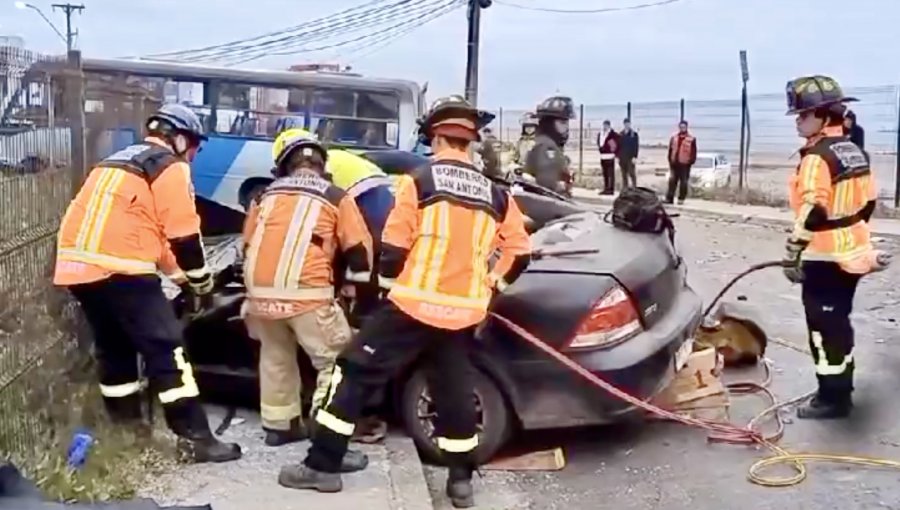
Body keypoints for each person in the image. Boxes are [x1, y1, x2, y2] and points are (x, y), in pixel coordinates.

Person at [276, 95, 531, 509]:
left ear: (435, 137)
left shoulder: (419, 180)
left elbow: (393, 249)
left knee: (352, 371)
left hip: (412, 307)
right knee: (453, 390)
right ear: (470, 141)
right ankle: (460, 481)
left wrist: (384, 299)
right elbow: (520, 251)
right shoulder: (497, 194)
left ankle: (322, 465)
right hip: (464, 313)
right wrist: (490, 287)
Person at [53, 104, 242, 463]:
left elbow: (149, 235)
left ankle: (127, 433)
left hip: (78, 270)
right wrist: (202, 284)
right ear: (182, 139)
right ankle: (197, 439)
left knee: (115, 349)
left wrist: (180, 279)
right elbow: (184, 235)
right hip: (122, 271)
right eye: (196, 148)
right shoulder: (169, 166)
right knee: (168, 350)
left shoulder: (116, 163)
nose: (194, 156)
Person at [242, 132, 374, 470]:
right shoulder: (334, 195)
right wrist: (355, 289)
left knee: (275, 356)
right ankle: (327, 436)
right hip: (307, 293)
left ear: (283, 166)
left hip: (260, 296)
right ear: (321, 165)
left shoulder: (264, 195)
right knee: (335, 361)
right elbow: (359, 250)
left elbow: (248, 242)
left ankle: (280, 426)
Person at [782, 75, 891, 419]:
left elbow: (814, 210)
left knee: (824, 328)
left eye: (802, 115)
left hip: (825, 257)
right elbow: (869, 203)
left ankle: (833, 399)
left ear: (823, 115)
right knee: (838, 323)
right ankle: (839, 388)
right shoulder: (854, 151)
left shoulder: (817, 158)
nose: (798, 121)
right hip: (853, 255)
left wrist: (793, 252)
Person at [271, 128, 395, 322]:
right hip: (386, 208)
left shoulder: (317, 168)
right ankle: (365, 312)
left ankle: (354, 315)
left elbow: (316, 212)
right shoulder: (334, 156)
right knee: (368, 266)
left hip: (368, 210)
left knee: (348, 251)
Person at [526, 95, 576, 195]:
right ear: (549, 123)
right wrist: (562, 187)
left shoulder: (545, 143)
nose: (566, 127)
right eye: (562, 122)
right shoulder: (546, 147)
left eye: (567, 123)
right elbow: (547, 185)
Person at [666, 120, 697, 204]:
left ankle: (681, 199)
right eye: (681, 127)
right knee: (672, 181)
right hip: (674, 163)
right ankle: (669, 198)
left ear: (686, 127)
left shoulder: (691, 139)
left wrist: (690, 162)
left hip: (685, 164)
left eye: (684, 127)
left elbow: (694, 152)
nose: (682, 128)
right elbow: (670, 149)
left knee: (683, 182)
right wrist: (670, 160)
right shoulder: (674, 137)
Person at [596, 120, 618, 194]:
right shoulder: (601, 134)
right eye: (604, 125)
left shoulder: (613, 134)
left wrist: (614, 152)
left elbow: (616, 144)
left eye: (606, 125)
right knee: (605, 173)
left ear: (609, 125)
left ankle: (611, 189)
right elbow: (599, 142)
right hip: (603, 156)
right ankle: (606, 188)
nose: (605, 127)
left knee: (610, 174)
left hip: (610, 156)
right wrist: (600, 148)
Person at [617, 118, 639, 189]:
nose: (627, 125)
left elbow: (636, 146)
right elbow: (618, 146)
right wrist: (618, 156)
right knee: (624, 175)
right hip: (622, 158)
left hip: (630, 158)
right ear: (624, 124)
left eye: (628, 123)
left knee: (632, 174)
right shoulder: (620, 134)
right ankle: (625, 189)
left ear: (630, 124)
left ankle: (634, 188)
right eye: (625, 124)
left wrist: (635, 157)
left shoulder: (634, 134)